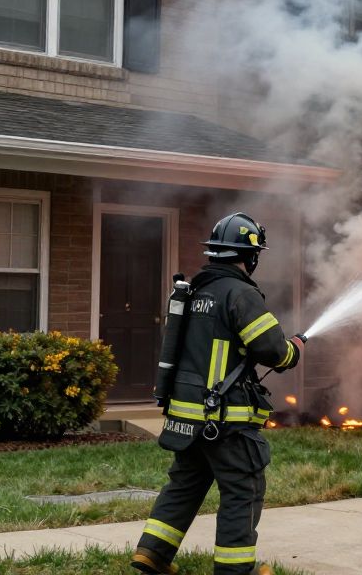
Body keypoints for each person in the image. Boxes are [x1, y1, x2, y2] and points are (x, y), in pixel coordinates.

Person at [131, 212, 306, 575]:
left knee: (185, 484)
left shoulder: (195, 291)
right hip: (223, 421)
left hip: (188, 417)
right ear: (251, 256)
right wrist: (295, 348)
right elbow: (273, 351)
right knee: (243, 488)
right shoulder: (240, 293)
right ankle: (235, 570)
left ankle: (152, 553)